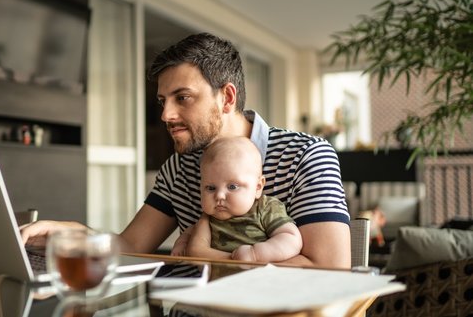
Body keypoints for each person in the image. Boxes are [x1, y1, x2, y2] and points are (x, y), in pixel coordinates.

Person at [21, 32, 351, 268]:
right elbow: (132, 246)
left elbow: (331, 269)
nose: (166, 115)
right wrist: (74, 233)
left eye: (183, 98)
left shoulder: (306, 155)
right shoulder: (177, 169)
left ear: (227, 98)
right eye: (163, 101)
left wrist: (220, 261)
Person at [171, 136, 302, 263]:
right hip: (215, 282)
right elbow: (190, 233)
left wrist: (255, 254)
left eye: (232, 187)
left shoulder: (265, 208)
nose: (219, 196)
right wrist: (181, 244)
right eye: (211, 188)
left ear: (258, 187)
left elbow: (291, 238)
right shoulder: (209, 218)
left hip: (256, 279)